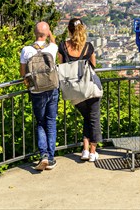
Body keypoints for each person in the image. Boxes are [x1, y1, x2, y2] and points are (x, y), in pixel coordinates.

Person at [57, 18, 101, 162]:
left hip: (74, 92)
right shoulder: (88, 47)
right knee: (94, 118)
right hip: (90, 88)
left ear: (69, 30)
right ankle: (92, 151)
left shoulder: (63, 46)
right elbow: (93, 65)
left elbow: (61, 66)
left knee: (87, 118)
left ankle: (85, 149)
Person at [20, 21, 59, 171]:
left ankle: (43, 155)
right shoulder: (52, 48)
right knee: (51, 122)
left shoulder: (26, 50)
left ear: (34, 33)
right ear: (47, 33)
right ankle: (50, 157)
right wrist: (51, 35)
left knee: (40, 122)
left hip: (36, 91)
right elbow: (54, 44)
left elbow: (23, 73)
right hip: (52, 88)